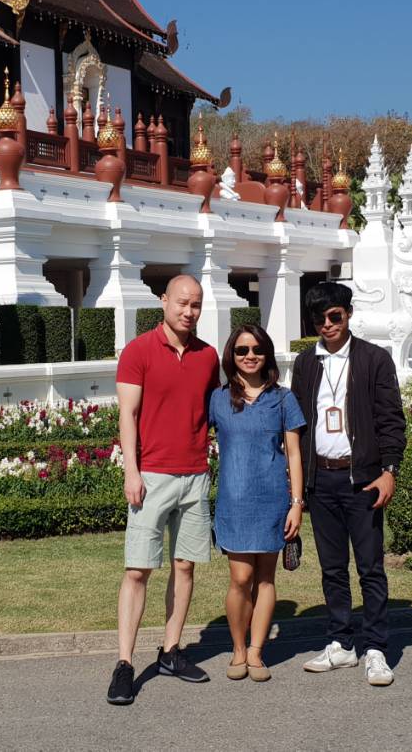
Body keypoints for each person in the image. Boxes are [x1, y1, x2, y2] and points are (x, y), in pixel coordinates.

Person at [107, 274, 221, 706]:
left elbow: (214, 410)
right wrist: (131, 472)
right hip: (152, 476)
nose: (189, 311)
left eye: (196, 305)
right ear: (163, 301)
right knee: (138, 570)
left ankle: (171, 651)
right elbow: (128, 415)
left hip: (195, 475)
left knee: (185, 566)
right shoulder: (138, 352)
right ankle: (124, 663)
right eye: (182, 303)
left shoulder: (208, 356)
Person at [291, 280, 406, 686]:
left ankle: (375, 648)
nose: (327, 324)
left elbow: (391, 419)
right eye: (318, 318)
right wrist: (297, 485)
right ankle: (341, 643)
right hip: (321, 480)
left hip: (363, 480)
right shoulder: (306, 363)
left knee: (370, 568)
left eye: (334, 315)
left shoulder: (374, 359)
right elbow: (296, 424)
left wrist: (389, 470)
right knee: (332, 568)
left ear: (348, 314)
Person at [210, 323, 305, 682]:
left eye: (256, 350)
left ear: (266, 353)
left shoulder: (283, 398)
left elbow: (293, 454)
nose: (250, 356)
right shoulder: (218, 398)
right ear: (231, 356)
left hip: (272, 500)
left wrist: (296, 503)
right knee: (240, 577)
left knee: (265, 578)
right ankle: (238, 648)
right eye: (242, 350)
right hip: (234, 502)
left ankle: (256, 651)